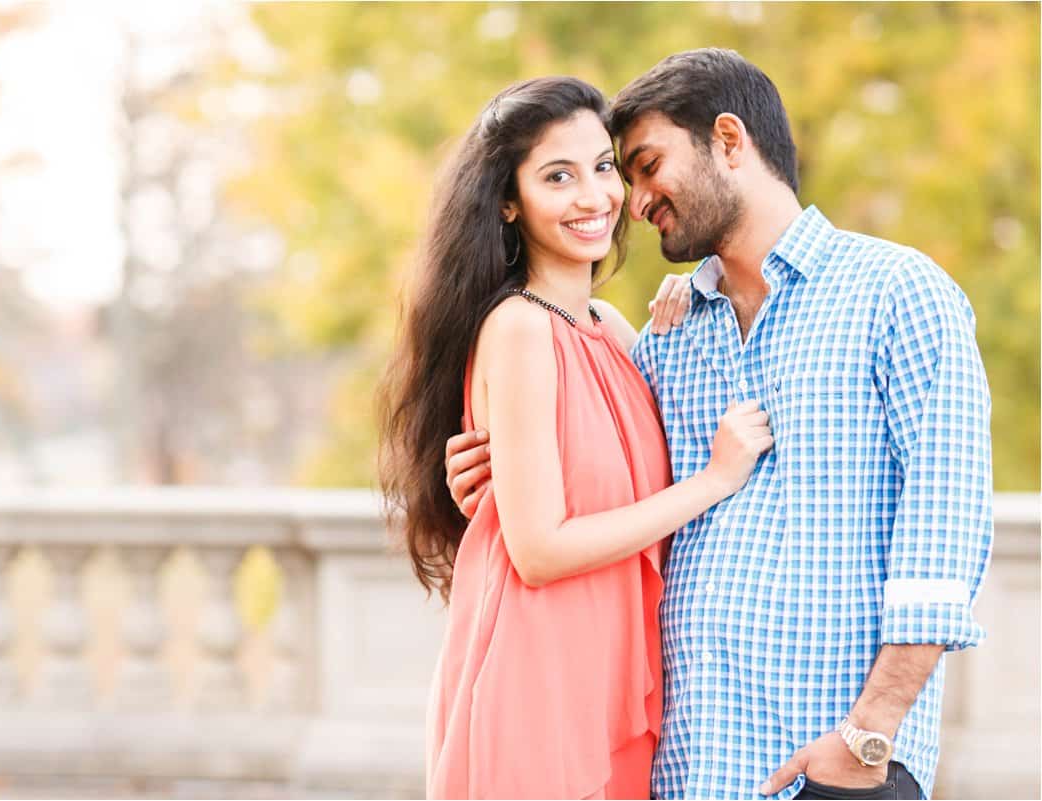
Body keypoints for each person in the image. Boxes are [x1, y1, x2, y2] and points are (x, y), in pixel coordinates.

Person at [445, 50, 993, 800]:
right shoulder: (667, 339)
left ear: (729, 141)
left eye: (640, 166)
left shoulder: (899, 293)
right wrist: (486, 476)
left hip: (828, 764)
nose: (633, 201)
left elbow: (945, 529)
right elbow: (598, 495)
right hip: (686, 768)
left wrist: (870, 734)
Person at [376, 76, 773, 800]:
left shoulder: (613, 330)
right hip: (539, 682)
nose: (595, 197)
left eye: (603, 168)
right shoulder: (520, 328)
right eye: (558, 176)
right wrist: (713, 482)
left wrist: (682, 308)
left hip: (608, 676)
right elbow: (540, 549)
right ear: (508, 200)